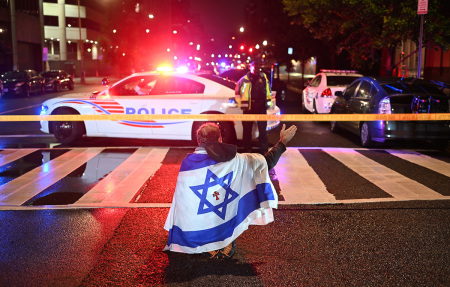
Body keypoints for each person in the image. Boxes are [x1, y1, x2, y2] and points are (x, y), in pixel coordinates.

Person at [164, 122, 297, 259]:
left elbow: (182, 203)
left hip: (193, 232)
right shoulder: (237, 160)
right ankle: (224, 241)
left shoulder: (188, 164)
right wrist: (282, 142)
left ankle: (204, 241)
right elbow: (265, 162)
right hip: (223, 214)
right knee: (230, 203)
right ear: (221, 139)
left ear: (198, 141)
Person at [235, 61, 273, 154]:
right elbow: (237, 93)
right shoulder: (244, 80)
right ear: (250, 68)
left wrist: (268, 104)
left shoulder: (264, 78)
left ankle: (263, 149)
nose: (256, 70)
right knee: (247, 130)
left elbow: (268, 91)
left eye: (258, 68)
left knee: (262, 130)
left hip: (261, 107)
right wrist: (241, 104)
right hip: (248, 109)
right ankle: (247, 149)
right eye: (254, 67)